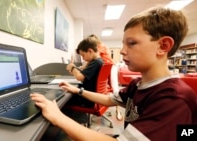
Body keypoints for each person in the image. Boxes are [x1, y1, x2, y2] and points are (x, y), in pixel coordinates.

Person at [31, 6, 197, 141]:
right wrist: (78, 90)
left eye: (131, 43)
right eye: (123, 44)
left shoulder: (173, 99)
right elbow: (109, 99)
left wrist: (58, 117)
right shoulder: (138, 84)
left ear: (163, 46)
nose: (123, 51)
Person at [66, 37, 103, 107]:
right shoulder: (98, 61)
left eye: (83, 55)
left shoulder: (96, 62)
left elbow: (80, 77)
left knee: (64, 97)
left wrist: (73, 68)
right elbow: (84, 74)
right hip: (89, 96)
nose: (83, 58)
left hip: (87, 99)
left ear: (90, 51)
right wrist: (74, 71)